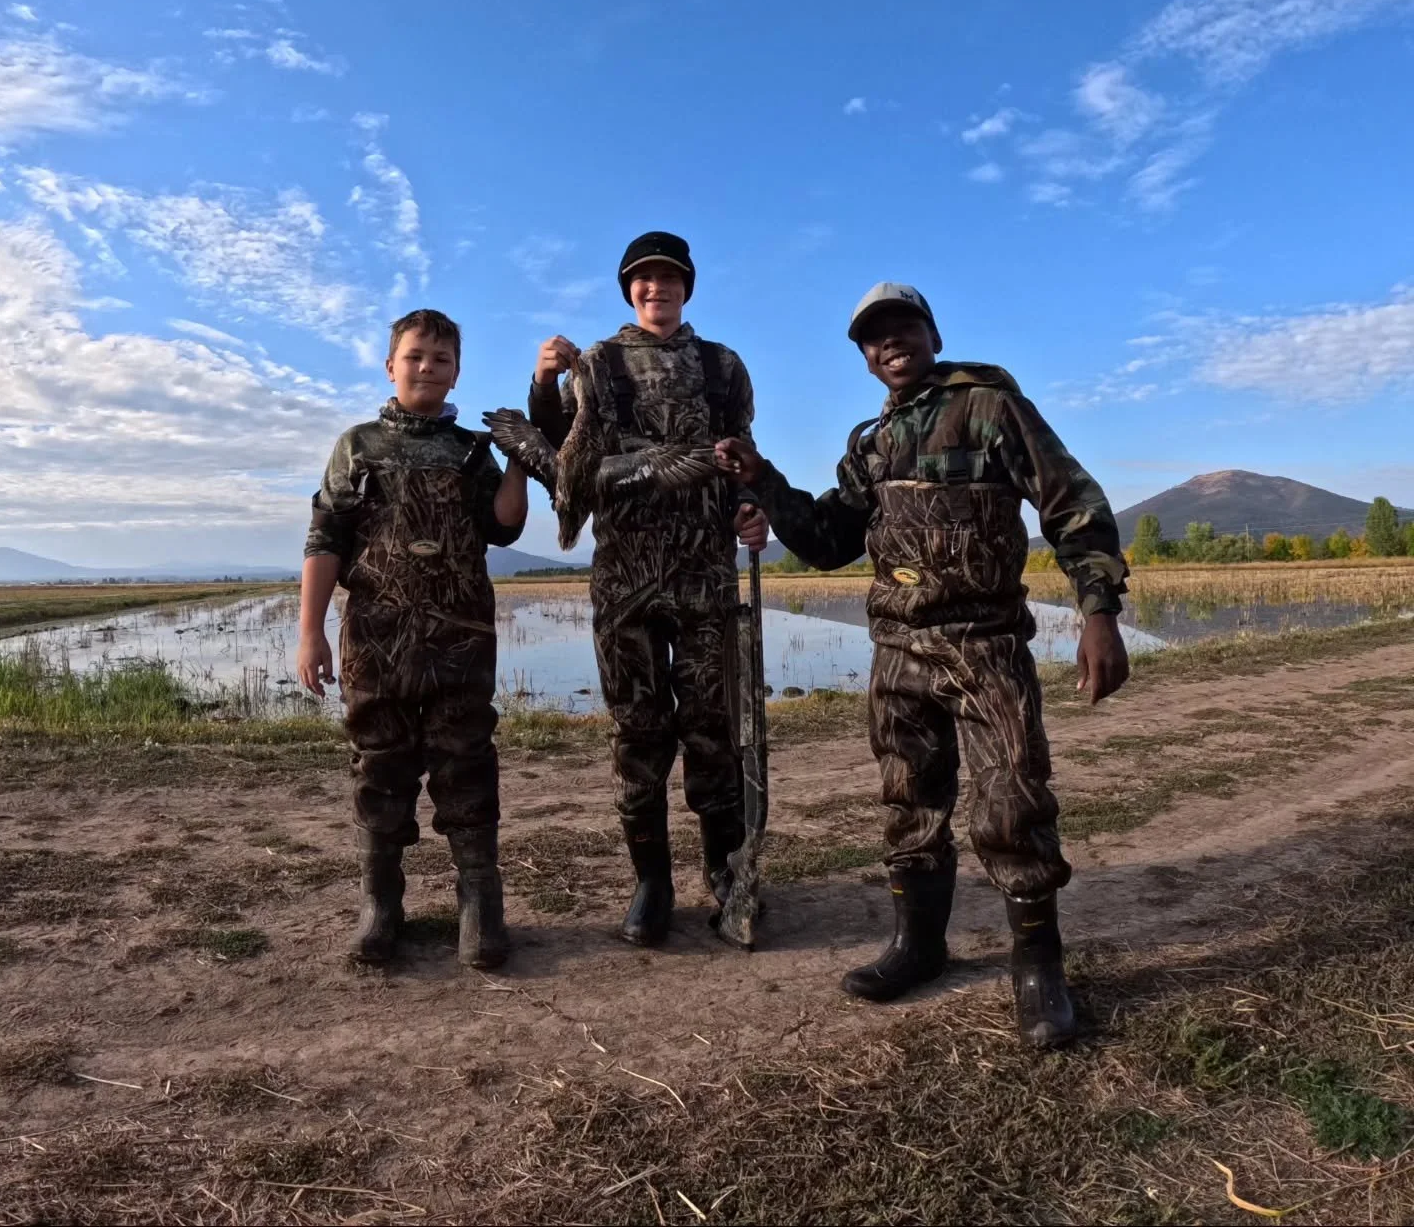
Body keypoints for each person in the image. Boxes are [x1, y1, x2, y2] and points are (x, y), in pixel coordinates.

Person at [715, 282, 1129, 1048]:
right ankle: (919, 945)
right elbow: (829, 540)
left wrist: (1098, 610)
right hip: (897, 652)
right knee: (909, 801)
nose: (890, 341)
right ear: (866, 359)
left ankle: (1039, 969)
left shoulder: (988, 406)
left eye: (903, 326)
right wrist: (763, 480)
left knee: (1013, 802)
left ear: (931, 333)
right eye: (873, 336)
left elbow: (1070, 500)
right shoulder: (868, 444)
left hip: (985, 645)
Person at [528, 231, 769, 946]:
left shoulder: (723, 366)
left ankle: (726, 872)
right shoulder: (598, 363)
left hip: (704, 577)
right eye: (642, 279)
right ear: (628, 290)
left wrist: (750, 507)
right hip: (625, 581)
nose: (654, 288)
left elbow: (742, 459)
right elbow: (564, 454)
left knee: (712, 727)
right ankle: (651, 881)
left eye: (667, 278)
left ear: (686, 287)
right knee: (638, 731)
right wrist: (543, 385)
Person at [298, 308, 528, 967]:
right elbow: (326, 539)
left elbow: (504, 528)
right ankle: (381, 902)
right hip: (376, 639)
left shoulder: (471, 451)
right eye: (416, 355)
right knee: (379, 767)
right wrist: (311, 631)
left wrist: (516, 466)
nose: (428, 367)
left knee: (467, 765)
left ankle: (480, 904)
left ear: (457, 371)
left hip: (462, 640)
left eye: (442, 358)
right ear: (390, 364)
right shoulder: (358, 445)